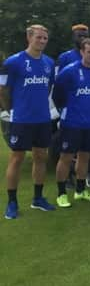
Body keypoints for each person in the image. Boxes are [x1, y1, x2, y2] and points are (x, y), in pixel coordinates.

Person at [1, 25, 56, 219]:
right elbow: (2, 90)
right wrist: (12, 110)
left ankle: (38, 198)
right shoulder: (13, 62)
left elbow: (48, 86)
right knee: (17, 158)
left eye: (45, 38)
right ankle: (12, 202)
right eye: (39, 38)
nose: (42, 41)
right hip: (21, 119)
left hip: (42, 118)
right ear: (29, 37)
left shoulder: (49, 62)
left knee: (41, 156)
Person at [52, 38, 90, 207]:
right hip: (72, 123)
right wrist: (65, 111)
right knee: (66, 157)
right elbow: (57, 95)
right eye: (89, 52)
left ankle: (80, 191)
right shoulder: (69, 71)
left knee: (85, 157)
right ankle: (61, 194)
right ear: (82, 52)